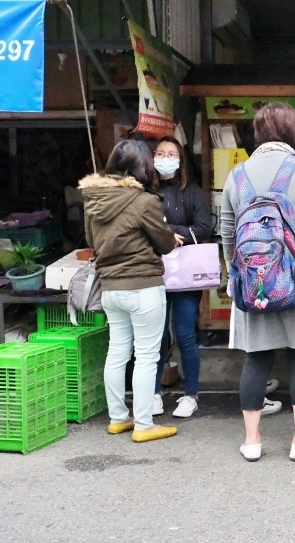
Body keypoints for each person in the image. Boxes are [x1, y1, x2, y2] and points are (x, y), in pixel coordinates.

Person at [219, 103, 295, 463]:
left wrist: (236, 274)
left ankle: (252, 440)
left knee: (256, 359)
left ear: (257, 135)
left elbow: (227, 233)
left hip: (253, 282)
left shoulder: (237, 175)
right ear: (294, 133)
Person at [80, 140, 178, 443]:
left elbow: (90, 239)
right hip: (142, 285)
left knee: (117, 352)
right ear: (142, 167)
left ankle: (118, 418)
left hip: (110, 287)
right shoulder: (144, 201)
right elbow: (164, 244)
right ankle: (145, 424)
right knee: (147, 357)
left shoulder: (93, 200)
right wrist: (169, 237)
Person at [151, 136, 213, 419]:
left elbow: (204, 226)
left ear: (180, 159)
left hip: (186, 274)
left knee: (186, 334)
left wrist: (173, 232)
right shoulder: (146, 191)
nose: (166, 158)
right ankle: (153, 394)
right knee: (156, 337)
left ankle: (191, 395)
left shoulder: (194, 192)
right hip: (153, 272)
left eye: (171, 153)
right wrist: (168, 234)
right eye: (160, 153)